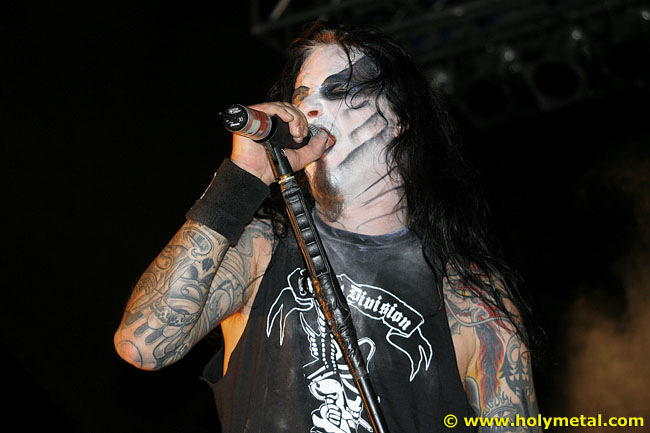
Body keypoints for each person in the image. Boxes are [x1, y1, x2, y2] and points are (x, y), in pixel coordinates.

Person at [114, 21, 540, 433]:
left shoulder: (465, 295)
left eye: (338, 91)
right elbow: (143, 346)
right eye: (303, 96)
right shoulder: (262, 249)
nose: (311, 108)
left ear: (399, 118)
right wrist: (241, 181)